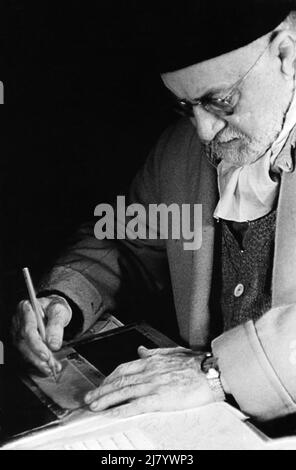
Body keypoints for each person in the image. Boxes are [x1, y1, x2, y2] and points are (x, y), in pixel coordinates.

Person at [11, 1, 296, 422]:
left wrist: (216, 374)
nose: (203, 131)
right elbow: (126, 240)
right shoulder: (182, 150)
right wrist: (63, 300)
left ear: (287, 54)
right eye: (185, 105)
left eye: (219, 101)